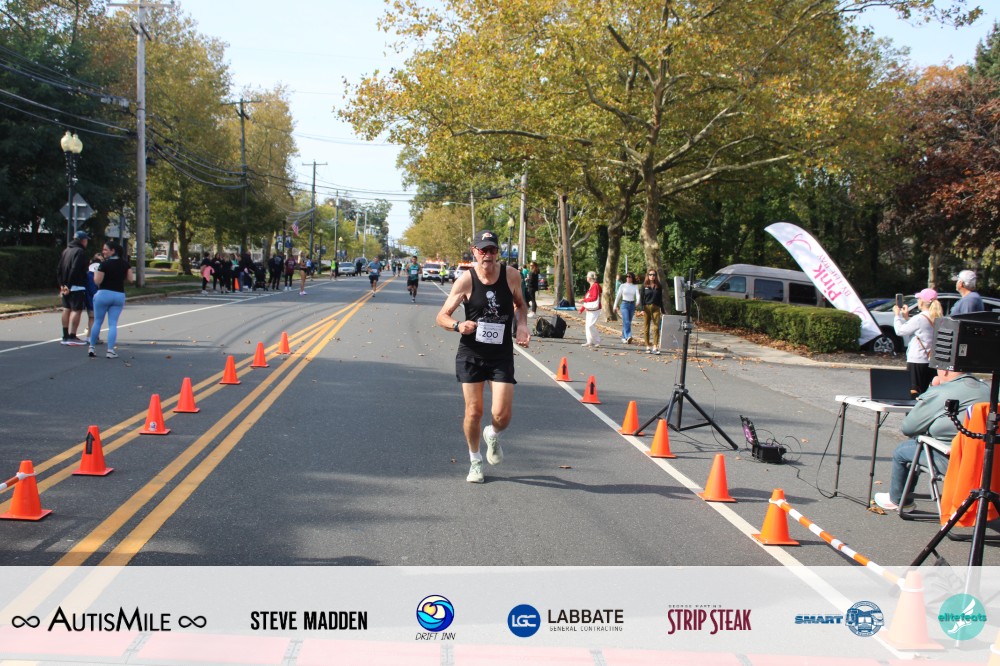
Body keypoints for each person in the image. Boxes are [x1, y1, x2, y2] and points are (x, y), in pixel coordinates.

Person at [435, 230, 530, 484]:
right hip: (472, 353)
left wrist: (522, 325)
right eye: (483, 250)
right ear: (474, 252)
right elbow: (442, 316)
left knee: (502, 415)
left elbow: (521, 305)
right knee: (474, 411)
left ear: (498, 252)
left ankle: (493, 434)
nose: (487, 254)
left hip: (500, 355)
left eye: (492, 250)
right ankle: (475, 460)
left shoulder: (511, 276)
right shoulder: (466, 281)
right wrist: (458, 325)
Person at [873, 368, 989, 511]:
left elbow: (908, 428)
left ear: (945, 371)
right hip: (989, 463)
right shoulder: (987, 390)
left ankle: (898, 499)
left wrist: (932, 389)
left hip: (954, 460)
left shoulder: (941, 392)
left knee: (903, 450)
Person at [87, 240, 134, 360]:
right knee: (113, 323)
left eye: (105, 249)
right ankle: (110, 350)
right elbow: (131, 279)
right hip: (118, 295)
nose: (103, 252)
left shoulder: (104, 264)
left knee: (98, 321)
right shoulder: (125, 264)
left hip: (103, 294)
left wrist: (97, 272)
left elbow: (97, 281)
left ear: (113, 251)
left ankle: (91, 347)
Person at [893, 288, 942, 397]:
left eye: (919, 299)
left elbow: (900, 331)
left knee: (914, 392)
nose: (918, 301)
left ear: (922, 302)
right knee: (927, 393)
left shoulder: (919, 318)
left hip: (917, 360)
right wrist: (907, 318)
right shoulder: (937, 317)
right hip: (931, 360)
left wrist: (897, 315)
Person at [56, 230, 91, 345]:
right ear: (83, 240)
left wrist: (62, 285)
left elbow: (59, 268)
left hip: (65, 285)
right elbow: (75, 268)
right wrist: (69, 285)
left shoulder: (66, 250)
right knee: (76, 310)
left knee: (66, 309)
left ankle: (65, 335)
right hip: (76, 285)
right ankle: (72, 335)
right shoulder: (80, 252)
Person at [640, 268, 665, 354]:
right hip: (646, 307)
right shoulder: (644, 285)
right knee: (646, 327)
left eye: (654, 275)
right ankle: (647, 346)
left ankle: (655, 346)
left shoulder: (659, 286)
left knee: (656, 327)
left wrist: (662, 310)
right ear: (648, 275)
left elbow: (660, 299)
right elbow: (641, 298)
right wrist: (642, 309)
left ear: (656, 276)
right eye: (650, 274)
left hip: (656, 307)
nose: (652, 276)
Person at [614, 272, 639, 344]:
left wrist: (638, 302)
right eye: (627, 276)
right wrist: (615, 305)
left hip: (632, 304)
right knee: (626, 321)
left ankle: (623, 337)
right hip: (624, 304)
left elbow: (638, 295)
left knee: (627, 322)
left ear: (632, 278)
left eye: (629, 276)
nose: (628, 278)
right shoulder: (622, 286)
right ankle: (629, 335)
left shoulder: (635, 286)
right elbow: (618, 296)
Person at [579, 270, 602, 348]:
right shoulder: (592, 286)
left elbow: (594, 297)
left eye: (587, 276)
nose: (586, 278)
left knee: (590, 325)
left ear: (590, 278)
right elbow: (588, 298)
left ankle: (598, 341)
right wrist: (582, 308)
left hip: (595, 309)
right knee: (587, 326)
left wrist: (584, 300)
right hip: (590, 309)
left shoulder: (595, 286)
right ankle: (589, 341)